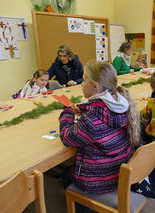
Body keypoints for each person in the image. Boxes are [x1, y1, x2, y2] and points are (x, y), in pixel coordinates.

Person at [59, 61, 141, 194]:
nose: (81, 84)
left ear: (95, 87)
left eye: (84, 80)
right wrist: (85, 109)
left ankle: (83, 206)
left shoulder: (91, 120)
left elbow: (66, 137)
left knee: (65, 174)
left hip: (100, 181)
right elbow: (99, 118)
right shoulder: (121, 103)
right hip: (120, 171)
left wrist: (67, 113)